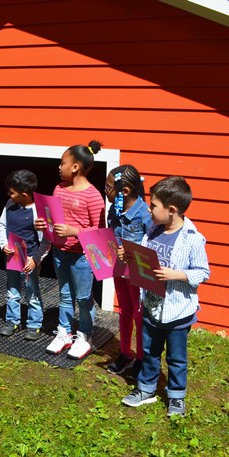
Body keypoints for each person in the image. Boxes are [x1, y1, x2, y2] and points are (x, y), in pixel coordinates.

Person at [122, 176, 209, 417]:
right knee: (149, 352)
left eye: (153, 206)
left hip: (178, 312)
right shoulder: (151, 233)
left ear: (171, 210)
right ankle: (146, 389)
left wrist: (176, 274)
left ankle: (176, 396)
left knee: (176, 358)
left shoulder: (193, 238)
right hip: (151, 307)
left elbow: (203, 272)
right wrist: (128, 257)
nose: (148, 210)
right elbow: (143, 264)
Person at [35, 140, 106, 359]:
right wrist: (42, 224)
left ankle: (85, 335)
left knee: (84, 298)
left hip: (82, 257)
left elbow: (99, 232)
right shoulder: (59, 188)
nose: (59, 166)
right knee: (65, 295)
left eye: (62, 162)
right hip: (60, 252)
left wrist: (74, 231)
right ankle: (64, 332)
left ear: (75, 167)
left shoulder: (93, 196)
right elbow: (53, 218)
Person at [104, 165, 152, 377]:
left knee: (138, 313)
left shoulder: (145, 215)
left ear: (125, 191)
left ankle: (141, 358)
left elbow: (152, 246)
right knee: (124, 310)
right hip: (118, 269)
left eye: (108, 186)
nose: (105, 190)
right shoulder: (114, 210)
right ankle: (125, 353)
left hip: (137, 273)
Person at [0, 169, 51, 340]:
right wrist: (4, 244)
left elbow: (46, 240)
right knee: (12, 290)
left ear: (24, 194)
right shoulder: (9, 205)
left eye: (11, 192)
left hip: (29, 260)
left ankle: (34, 324)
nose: (8, 194)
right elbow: (1, 225)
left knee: (32, 291)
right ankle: (12, 320)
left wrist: (36, 259)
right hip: (13, 258)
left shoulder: (38, 212)